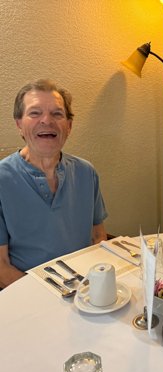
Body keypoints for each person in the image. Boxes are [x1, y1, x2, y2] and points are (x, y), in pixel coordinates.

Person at [0, 79, 108, 288]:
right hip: (27, 294)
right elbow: (1, 267)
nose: (46, 121)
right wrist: (53, 297)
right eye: (35, 113)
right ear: (19, 125)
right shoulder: (2, 180)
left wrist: (96, 283)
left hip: (85, 290)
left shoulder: (86, 172)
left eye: (57, 114)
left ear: (68, 126)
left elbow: (98, 236)